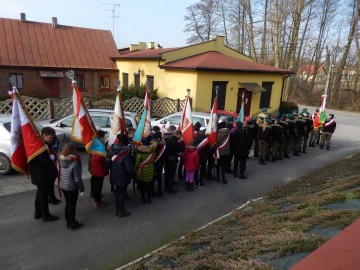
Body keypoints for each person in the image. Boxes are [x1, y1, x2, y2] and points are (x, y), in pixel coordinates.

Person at [30, 127, 59, 222]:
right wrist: (56, 173)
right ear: (44, 136)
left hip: (40, 175)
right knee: (43, 196)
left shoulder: (43, 144)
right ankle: (46, 215)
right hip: (42, 176)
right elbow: (46, 163)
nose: (52, 139)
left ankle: (38, 213)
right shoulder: (41, 147)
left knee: (39, 194)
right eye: (50, 137)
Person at [59, 142, 85, 230]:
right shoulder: (75, 163)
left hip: (63, 185)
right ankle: (73, 223)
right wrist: (82, 189)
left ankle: (68, 222)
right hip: (72, 187)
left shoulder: (61, 159)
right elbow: (77, 179)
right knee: (72, 205)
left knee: (68, 204)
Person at [109, 134, 134, 217]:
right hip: (123, 175)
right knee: (122, 194)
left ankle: (117, 210)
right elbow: (129, 168)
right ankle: (121, 211)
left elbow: (109, 163)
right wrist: (132, 176)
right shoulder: (126, 152)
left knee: (117, 193)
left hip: (114, 174)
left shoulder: (112, 149)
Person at [134, 136, 157, 204]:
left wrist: (134, 171)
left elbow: (137, 164)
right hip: (150, 171)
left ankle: (143, 198)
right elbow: (153, 161)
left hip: (142, 172)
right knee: (148, 186)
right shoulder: (153, 152)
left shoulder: (140, 153)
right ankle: (149, 198)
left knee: (142, 186)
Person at [90, 130, 109, 208]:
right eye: (103, 137)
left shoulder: (96, 144)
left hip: (95, 169)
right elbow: (98, 158)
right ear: (101, 137)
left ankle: (97, 200)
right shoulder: (98, 146)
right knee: (98, 186)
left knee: (96, 185)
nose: (104, 138)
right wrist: (106, 159)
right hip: (98, 169)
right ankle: (97, 202)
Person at [151, 131, 167, 197]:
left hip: (152, 163)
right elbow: (165, 155)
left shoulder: (151, 145)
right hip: (160, 163)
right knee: (159, 177)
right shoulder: (163, 145)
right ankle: (160, 192)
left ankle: (152, 192)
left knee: (152, 178)